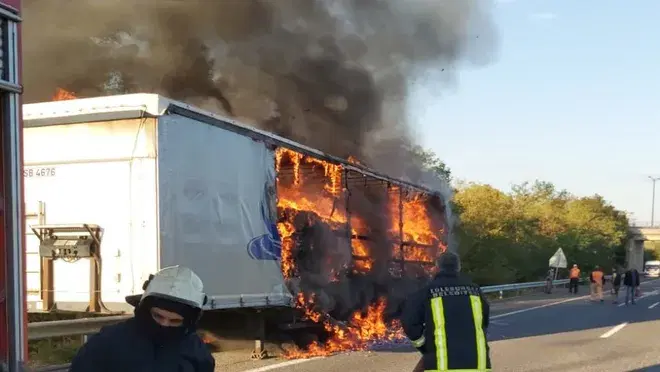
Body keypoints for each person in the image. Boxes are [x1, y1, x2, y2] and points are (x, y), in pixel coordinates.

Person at [70, 266, 215, 372]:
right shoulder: (107, 342)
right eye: (158, 316)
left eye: (174, 321)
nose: (164, 324)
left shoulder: (196, 350)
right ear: (145, 310)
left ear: (188, 322)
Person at [401, 251, 491, 372]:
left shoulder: (426, 292)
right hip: (479, 366)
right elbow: (484, 321)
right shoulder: (475, 290)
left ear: (437, 268)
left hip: (442, 366)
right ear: (459, 268)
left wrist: (424, 346)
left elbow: (409, 323)